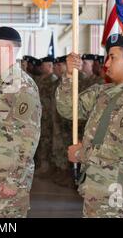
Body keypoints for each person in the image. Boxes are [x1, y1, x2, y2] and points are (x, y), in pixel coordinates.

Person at [56, 34, 123, 217]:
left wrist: (81, 153)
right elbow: (68, 109)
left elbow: (120, 149)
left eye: (112, 57)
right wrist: (69, 75)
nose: (106, 63)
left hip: (114, 186)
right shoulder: (104, 92)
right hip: (97, 183)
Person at [0, 25, 41, 218]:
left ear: (8, 50)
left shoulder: (22, 86)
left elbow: (28, 138)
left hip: (8, 178)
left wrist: (13, 180)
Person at [51, 56, 75, 188]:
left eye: (60, 65)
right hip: (58, 119)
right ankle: (62, 171)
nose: (57, 68)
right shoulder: (58, 82)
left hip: (67, 121)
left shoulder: (75, 80)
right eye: (56, 66)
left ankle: (69, 174)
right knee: (59, 147)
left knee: (67, 147)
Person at [35, 56, 57, 177]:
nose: (41, 67)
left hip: (48, 114)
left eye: (44, 65)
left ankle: (46, 166)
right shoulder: (42, 79)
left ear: (49, 66)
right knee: (42, 139)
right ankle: (42, 165)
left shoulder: (52, 79)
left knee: (47, 140)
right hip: (40, 114)